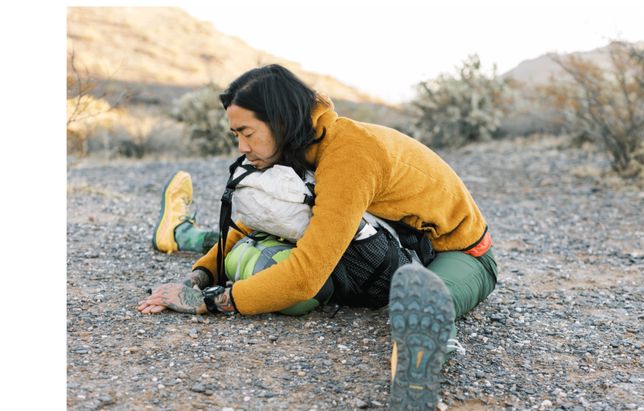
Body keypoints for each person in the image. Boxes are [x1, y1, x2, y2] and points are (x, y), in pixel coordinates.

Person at [138, 64, 497, 410]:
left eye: (247, 133)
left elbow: (305, 277)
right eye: (236, 135)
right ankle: (182, 232)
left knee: (428, 301)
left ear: (280, 122)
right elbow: (256, 223)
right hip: (391, 237)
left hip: (460, 253)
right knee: (280, 223)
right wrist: (198, 277)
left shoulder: (348, 156)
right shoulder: (299, 145)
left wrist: (210, 303)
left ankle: (420, 354)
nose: (241, 147)